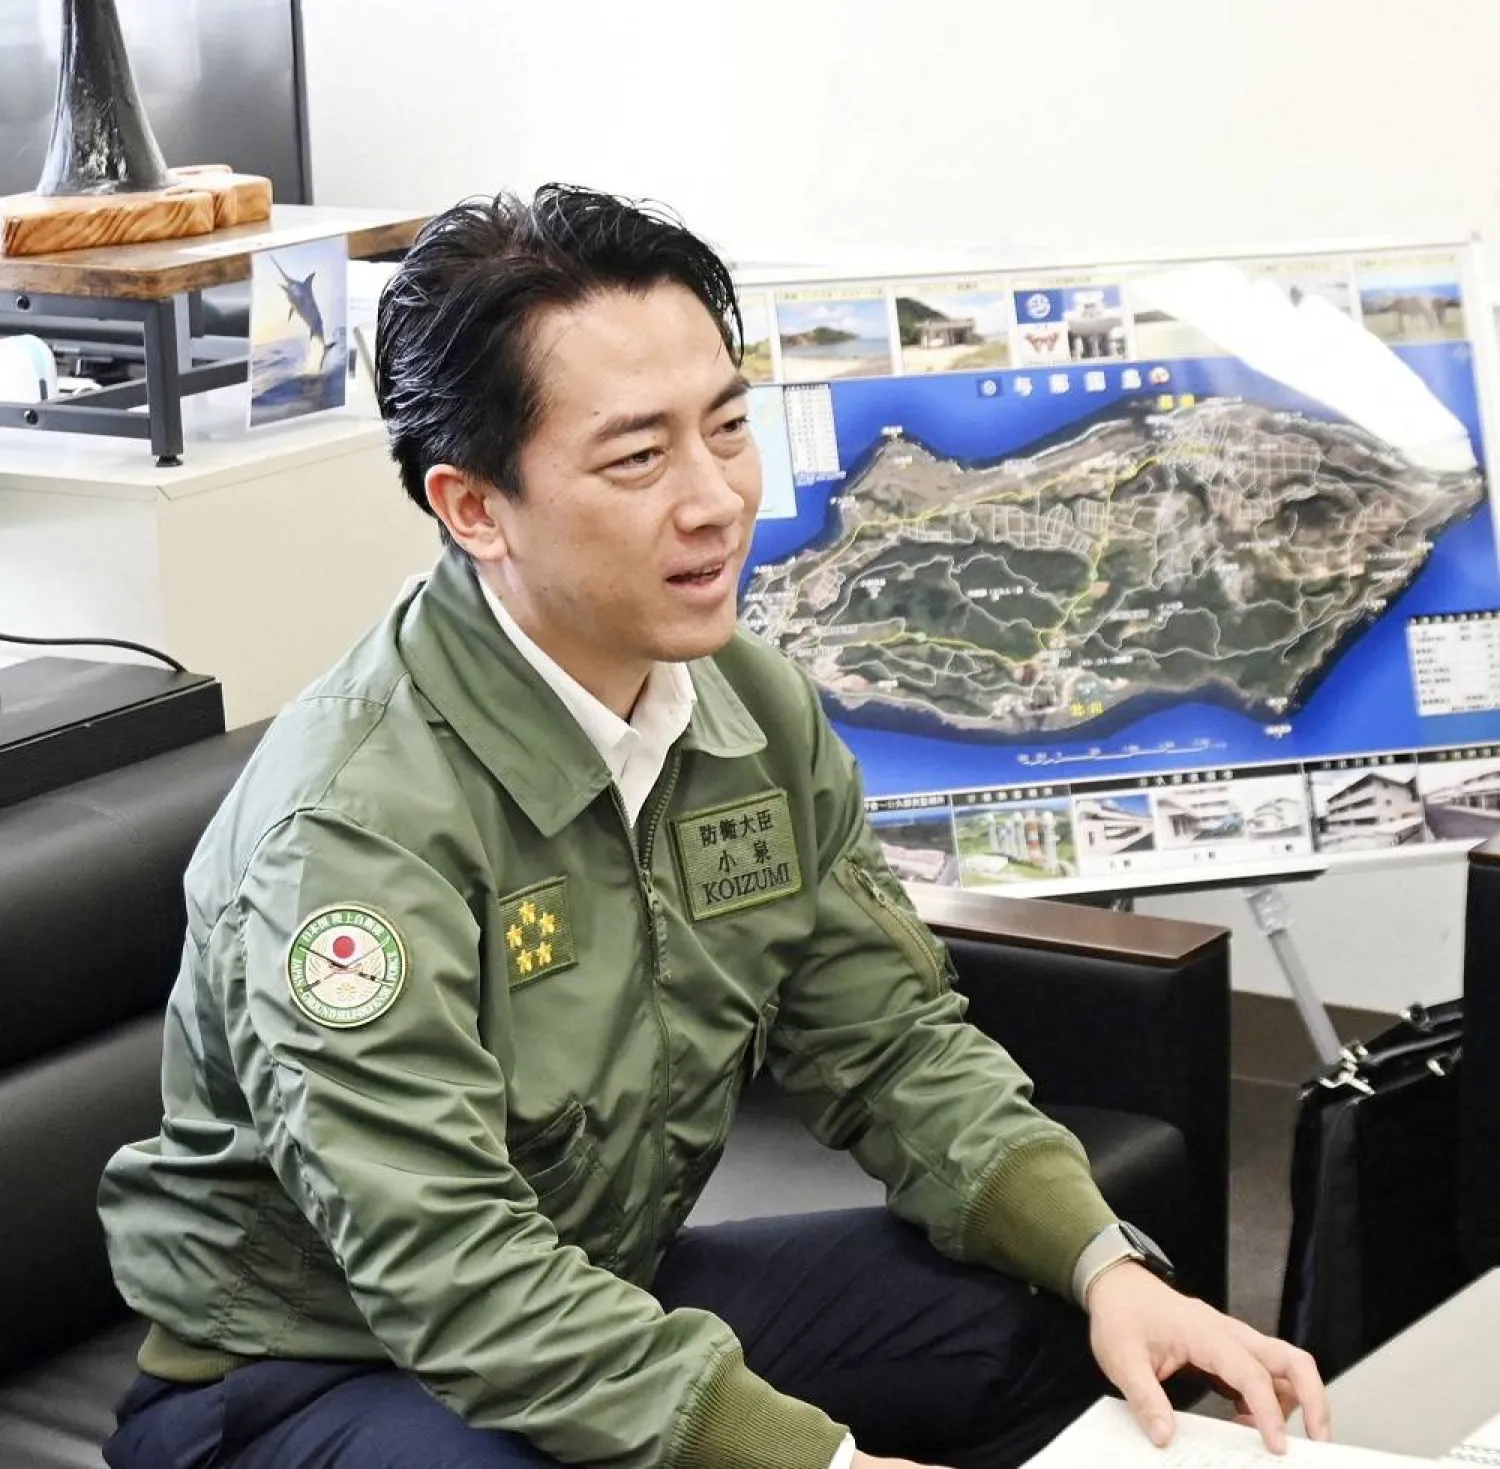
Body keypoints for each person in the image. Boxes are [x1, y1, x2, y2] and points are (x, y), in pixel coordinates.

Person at [97, 185, 1329, 1469]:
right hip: (295, 1377)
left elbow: (891, 1042)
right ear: (473, 507)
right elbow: (448, 1266)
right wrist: (821, 1464)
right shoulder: (351, 830)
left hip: (597, 1281)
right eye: (638, 457)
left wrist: (1100, 1261)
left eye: (728, 427)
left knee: (1031, 1335)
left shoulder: (746, 699)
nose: (716, 499)